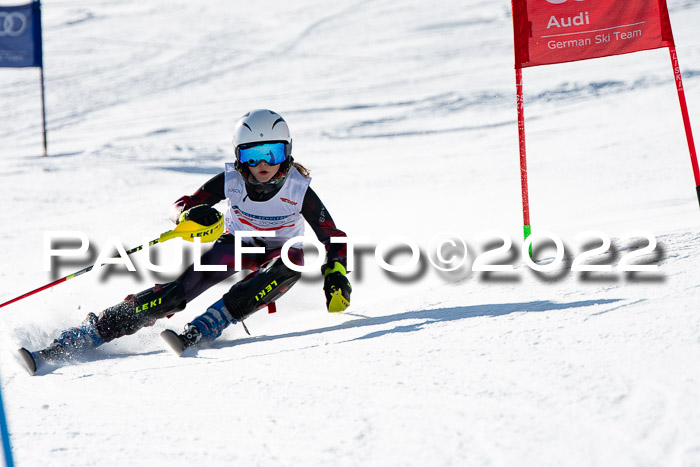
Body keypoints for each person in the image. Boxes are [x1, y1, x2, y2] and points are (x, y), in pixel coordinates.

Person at [18, 109, 352, 375]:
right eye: (252, 155)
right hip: (237, 244)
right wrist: (190, 215)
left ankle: (215, 319)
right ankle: (92, 332)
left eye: (272, 152)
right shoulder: (232, 180)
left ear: (287, 152)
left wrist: (336, 271)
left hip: (282, 249)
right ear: (239, 156)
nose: (263, 164)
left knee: (297, 259)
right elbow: (185, 203)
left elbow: (332, 236)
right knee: (176, 293)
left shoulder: (298, 187)